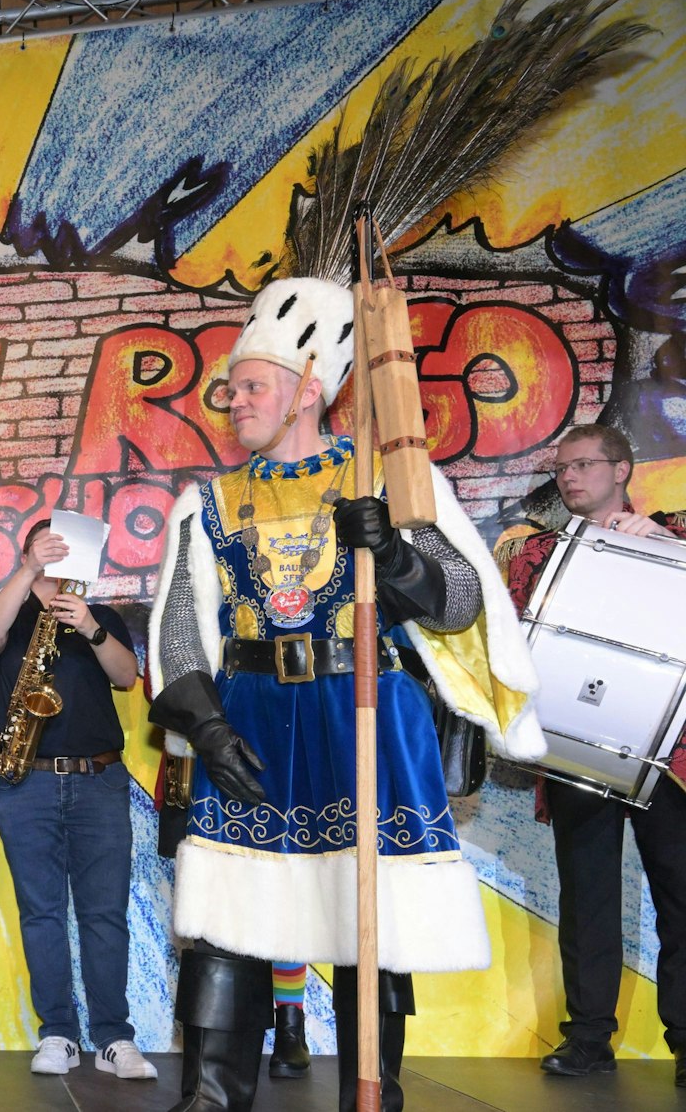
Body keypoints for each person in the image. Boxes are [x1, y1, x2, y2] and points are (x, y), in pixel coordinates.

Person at [147, 277, 542, 1112]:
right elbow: (178, 631)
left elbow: (460, 600)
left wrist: (395, 555)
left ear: (308, 389)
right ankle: (211, 1096)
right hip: (250, 715)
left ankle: (375, 1091)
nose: (233, 401)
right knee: (227, 915)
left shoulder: (387, 480)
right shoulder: (207, 502)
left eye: (251, 386)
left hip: (362, 706)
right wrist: (208, 728)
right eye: (231, 389)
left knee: (372, 913)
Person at [500, 423, 686, 1084]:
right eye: (562, 468)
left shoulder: (674, 533)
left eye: (582, 464)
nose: (569, 477)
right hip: (576, 748)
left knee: (681, 897)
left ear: (622, 468)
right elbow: (514, 644)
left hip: (666, 755)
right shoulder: (535, 553)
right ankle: (587, 1039)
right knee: (587, 897)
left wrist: (664, 542)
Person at [0, 521, 152, 1082]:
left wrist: (93, 628)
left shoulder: (99, 613)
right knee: (41, 913)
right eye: (45, 545)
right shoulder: (13, 607)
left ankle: (114, 1038)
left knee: (105, 914)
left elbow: (127, 677)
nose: (58, 552)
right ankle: (58, 1033)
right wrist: (29, 569)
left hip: (99, 779)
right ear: (27, 550)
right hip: (28, 780)